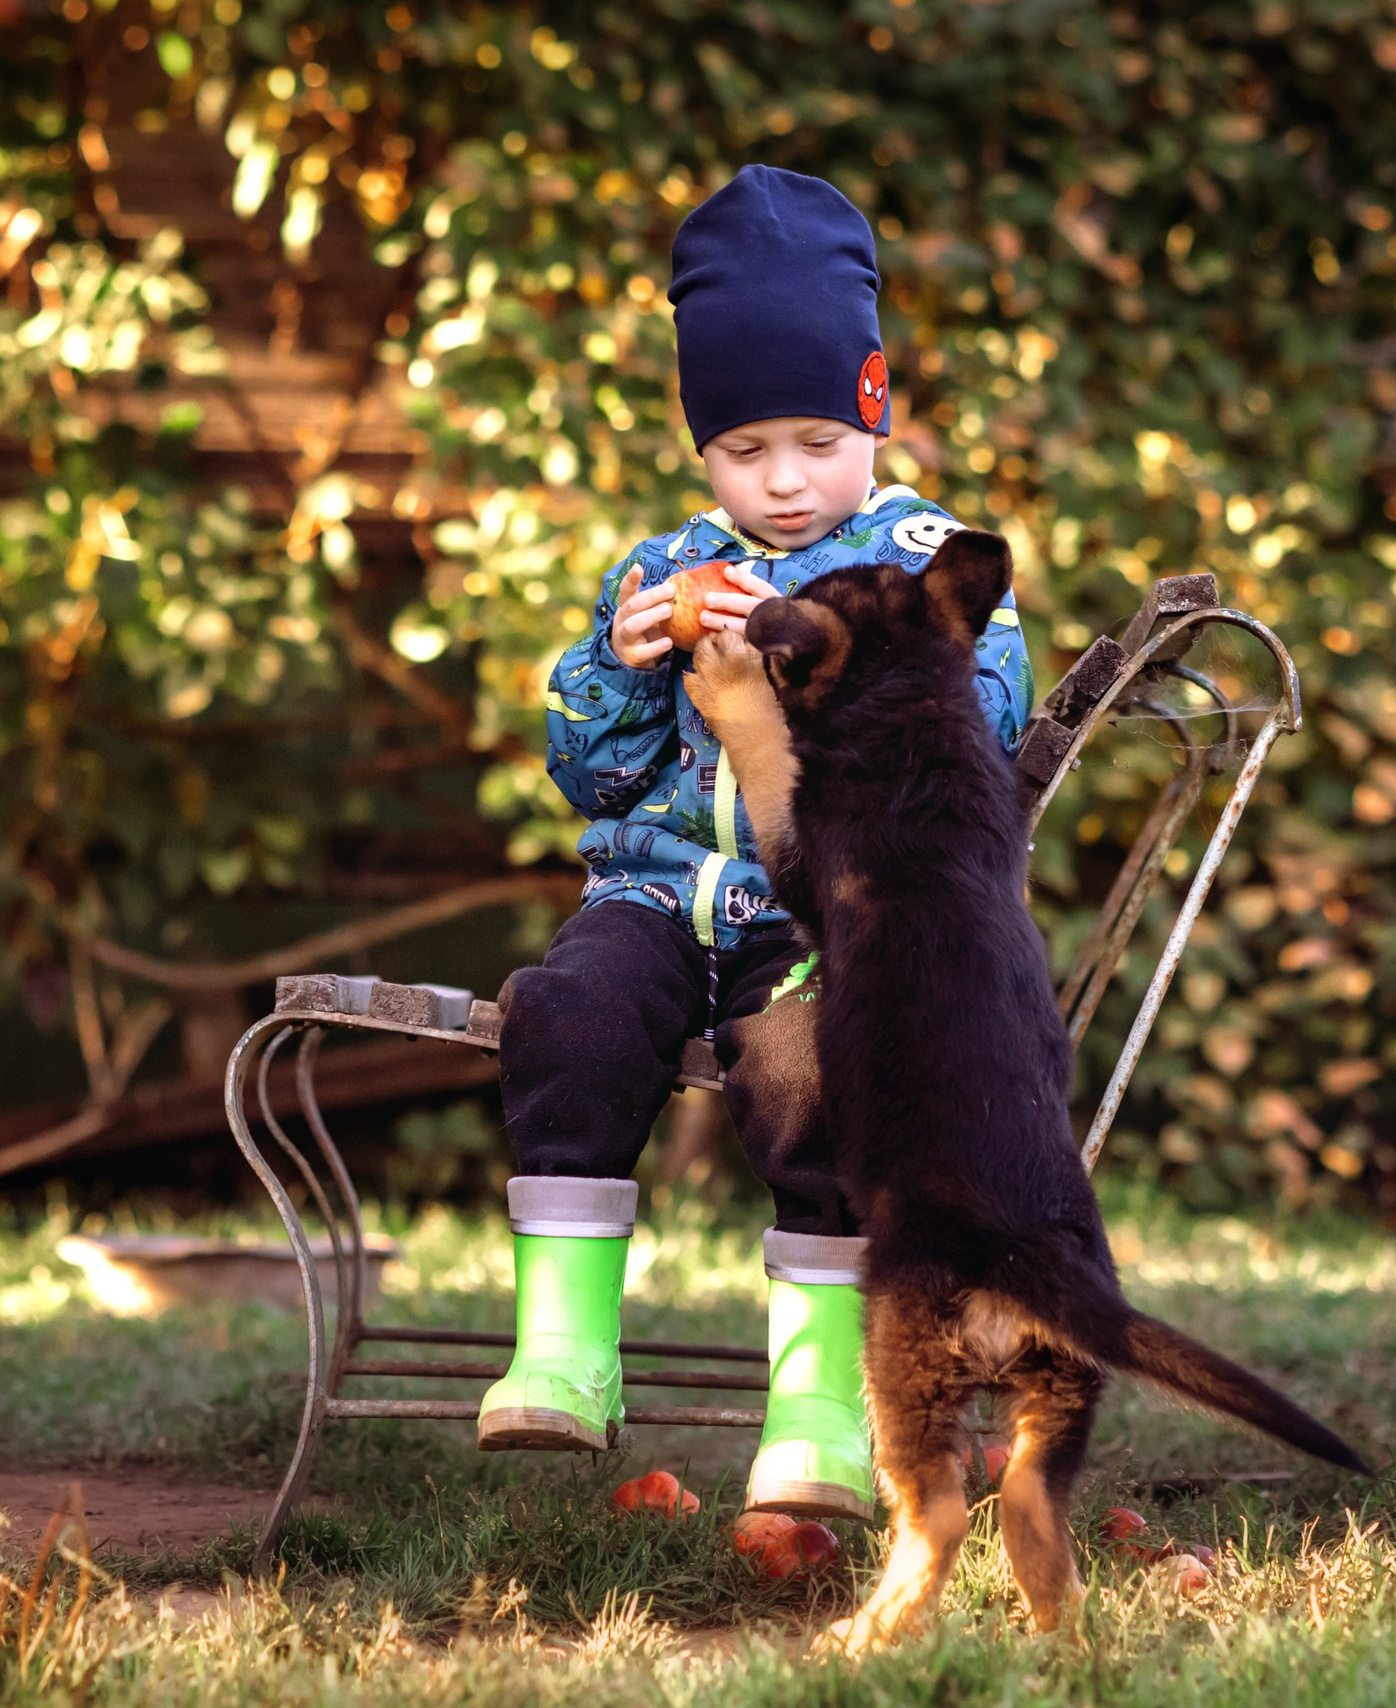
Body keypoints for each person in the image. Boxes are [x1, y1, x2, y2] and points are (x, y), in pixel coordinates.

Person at [478, 165, 1035, 1519]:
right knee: (565, 1011)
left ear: (874, 408)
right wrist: (613, 668)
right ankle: (563, 1357)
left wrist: (821, 669)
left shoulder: (925, 561)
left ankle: (820, 1410)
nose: (783, 481)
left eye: (815, 440)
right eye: (743, 450)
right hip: (659, 895)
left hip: (824, 915)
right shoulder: (659, 570)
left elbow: (982, 728)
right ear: (701, 447)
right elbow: (593, 777)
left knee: (816, 1072)